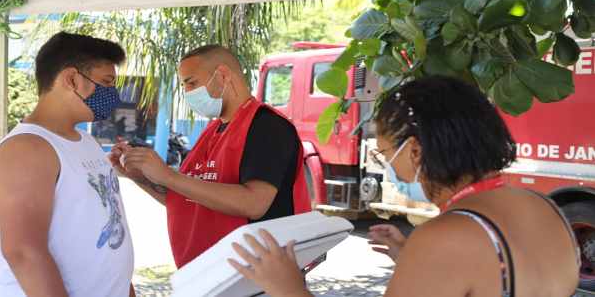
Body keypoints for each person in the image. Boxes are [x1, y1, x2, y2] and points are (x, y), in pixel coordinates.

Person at [228, 76, 581, 297]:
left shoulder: (446, 238)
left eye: (384, 154)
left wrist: (289, 288)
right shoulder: (543, 206)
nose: (389, 168)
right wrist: (414, 260)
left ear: (415, 150)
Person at [110, 44, 311, 267]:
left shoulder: (267, 126)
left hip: (258, 276)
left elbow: (254, 203)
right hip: (212, 272)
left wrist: (167, 175)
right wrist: (139, 176)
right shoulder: (213, 131)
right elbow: (185, 199)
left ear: (223, 75)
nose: (187, 93)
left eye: (192, 83)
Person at [0, 32, 135, 297]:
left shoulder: (86, 142)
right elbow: (24, 252)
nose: (113, 94)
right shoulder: (27, 149)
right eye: (106, 83)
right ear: (72, 79)